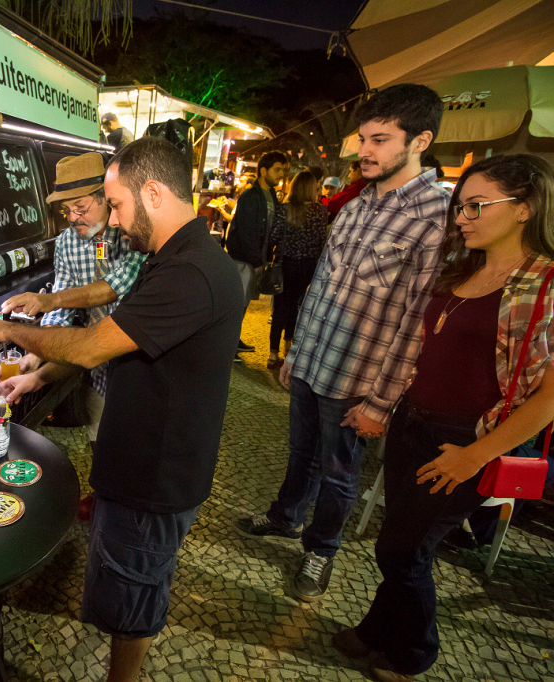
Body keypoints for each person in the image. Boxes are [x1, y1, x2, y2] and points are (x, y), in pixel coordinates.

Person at [0, 136, 244, 682]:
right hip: (143, 462)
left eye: (116, 205)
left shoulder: (190, 272)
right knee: (126, 585)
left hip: (154, 477)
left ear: (153, 192)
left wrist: (9, 331)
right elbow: (116, 345)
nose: (113, 221)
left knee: (134, 598)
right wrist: (38, 377)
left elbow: (93, 345)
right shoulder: (174, 258)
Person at [333, 154, 554, 682]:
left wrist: (476, 455)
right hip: (414, 421)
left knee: (403, 548)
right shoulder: (466, 264)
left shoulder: (545, 283)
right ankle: (378, 630)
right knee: (401, 535)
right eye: (460, 207)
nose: (462, 218)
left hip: (468, 438)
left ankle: (416, 651)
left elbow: (549, 397)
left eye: (477, 206)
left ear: (524, 208)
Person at [234, 83, 450, 602]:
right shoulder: (355, 206)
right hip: (314, 361)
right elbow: (320, 289)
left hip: (358, 378)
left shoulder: (435, 219)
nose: (364, 151)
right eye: (363, 139)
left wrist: (381, 402)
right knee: (300, 454)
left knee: (339, 473)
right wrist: (296, 354)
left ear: (420, 141)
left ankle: (321, 549)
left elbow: (416, 324)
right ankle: (286, 516)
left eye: (380, 140)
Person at [0, 152, 145, 452]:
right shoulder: (68, 242)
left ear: (106, 197)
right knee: (100, 447)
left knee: (137, 450)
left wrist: (49, 300)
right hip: (97, 370)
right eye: (66, 210)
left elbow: (111, 288)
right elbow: (61, 314)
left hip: (137, 369)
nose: (73, 218)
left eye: (80, 207)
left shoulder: (133, 233)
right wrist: (36, 354)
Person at [225, 151, 288, 360]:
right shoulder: (251, 196)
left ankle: (234, 340)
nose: (281, 174)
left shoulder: (271, 196)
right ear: (263, 170)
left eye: (282, 170)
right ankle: (227, 347)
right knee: (237, 304)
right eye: (277, 169)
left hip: (256, 258)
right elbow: (246, 231)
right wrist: (255, 260)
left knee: (244, 302)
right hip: (244, 259)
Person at [266, 171, 330, 370]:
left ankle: (273, 354)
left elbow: (274, 236)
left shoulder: (285, 209)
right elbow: (322, 241)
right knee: (296, 306)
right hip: (308, 266)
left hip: (286, 264)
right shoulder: (321, 211)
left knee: (280, 307)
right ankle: (289, 349)